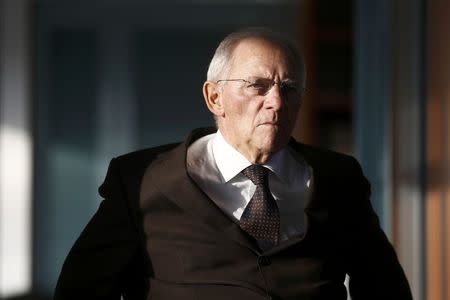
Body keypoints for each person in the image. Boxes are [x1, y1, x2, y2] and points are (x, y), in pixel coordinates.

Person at [54, 27, 412, 300]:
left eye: (289, 88)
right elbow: (80, 290)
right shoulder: (141, 180)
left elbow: (384, 288)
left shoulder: (338, 179)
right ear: (215, 98)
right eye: (257, 86)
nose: (276, 102)